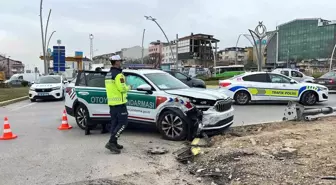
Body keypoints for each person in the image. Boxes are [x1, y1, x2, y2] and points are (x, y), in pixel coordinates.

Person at [104, 55, 130, 154]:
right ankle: (111, 142)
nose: (121, 62)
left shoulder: (108, 74)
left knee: (115, 124)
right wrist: (129, 87)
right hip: (120, 103)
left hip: (112, 103)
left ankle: (114, 142)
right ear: (116, 62)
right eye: (120, 61)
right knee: (123, 123)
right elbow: (122, 88)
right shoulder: (119, 75)